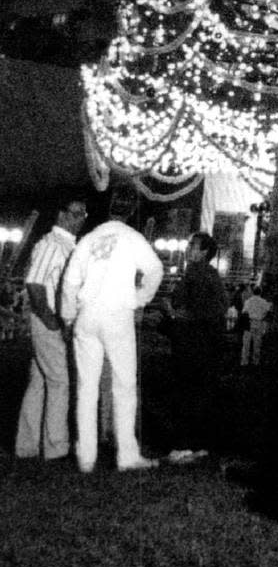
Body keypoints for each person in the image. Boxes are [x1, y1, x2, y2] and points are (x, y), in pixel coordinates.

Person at [59, 185, 164, 473]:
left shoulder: (89, 239)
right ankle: (127, 454)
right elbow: (155, 270)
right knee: (124, 385)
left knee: (86, 387)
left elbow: (69, 283)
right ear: (131, 211)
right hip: (117, 314)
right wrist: (139, 299)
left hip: (87, 315)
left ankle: (86, 455)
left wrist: (68, 316)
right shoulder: (132, 238)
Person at [15, 193, 88, 461]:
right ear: (62, 214)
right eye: (75, 213)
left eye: (83, 214)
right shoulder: (52, 244)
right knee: (60, 382)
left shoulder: (67, 245)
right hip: (49, 322)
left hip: (52, 320)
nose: (80, 219)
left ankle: (27, 445)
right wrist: (49, 318)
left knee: (39, 382)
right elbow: (35, 284)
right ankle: (56, 446)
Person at [166, 232, 229, 462]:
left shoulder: (196, 273)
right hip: (207, 346)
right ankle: (200, 443)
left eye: (193, 245)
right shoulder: (210, 275)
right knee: (201, 395)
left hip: (193, 344)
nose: (188, 248)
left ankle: (183, 446)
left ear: (204, 252)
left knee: (185, 393)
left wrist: (173, 313)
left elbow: (190, 310)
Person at [240, 284, 272, 366]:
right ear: (260, 292)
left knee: (246, 344)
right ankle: (255, 361)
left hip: (249, 323)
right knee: (257, 343)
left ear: (253, 292)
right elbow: (268, 312)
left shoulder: (248, 301)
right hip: (259, 323)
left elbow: (244, 312)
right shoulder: (264, 302)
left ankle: (244, 361)